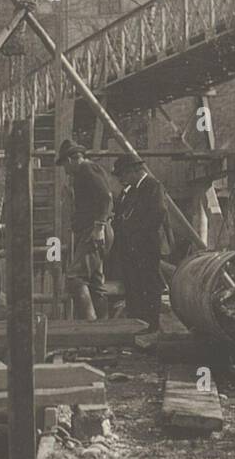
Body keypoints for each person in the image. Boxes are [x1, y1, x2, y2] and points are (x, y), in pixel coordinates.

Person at [56, 138, 113, 321]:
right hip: (92, 230)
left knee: (74, 278)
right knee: (95, 282)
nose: (64, 170)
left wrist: (98, 227)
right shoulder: (85, 172)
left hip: (93, 231)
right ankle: (103, 331)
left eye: (64, 164)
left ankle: (90, 325)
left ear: (71, 159)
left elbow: (106, 197)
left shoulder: (87, 169)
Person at [112, 152, 166, 332]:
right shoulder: (132, 191)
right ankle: (138, 324)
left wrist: (138, 236)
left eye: (124, 174)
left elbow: (158, 213)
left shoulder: (152, 186)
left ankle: (151, 325)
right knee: (134, 285)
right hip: (132, 247)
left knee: (149, 284)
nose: (122, 179)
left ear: (134, 171)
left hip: (146, 246)